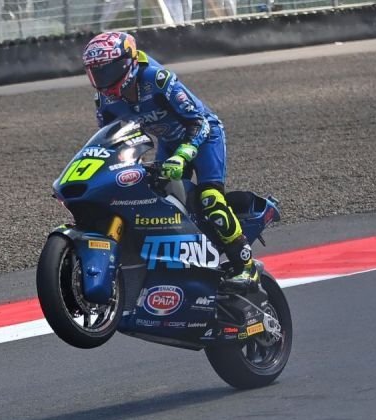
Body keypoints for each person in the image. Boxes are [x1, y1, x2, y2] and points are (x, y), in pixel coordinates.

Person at [82, 31, 258, 286]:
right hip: (168, 142)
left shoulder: (157, 79)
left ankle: (245, 264)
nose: (103, 79)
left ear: (128, 62)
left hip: (204, 137)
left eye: (109, 70)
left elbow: (199, 121)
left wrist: (184, 154)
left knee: (210, 198)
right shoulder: (104, 100)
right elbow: (112, 139)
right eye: (97, 73)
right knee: (162, 200)